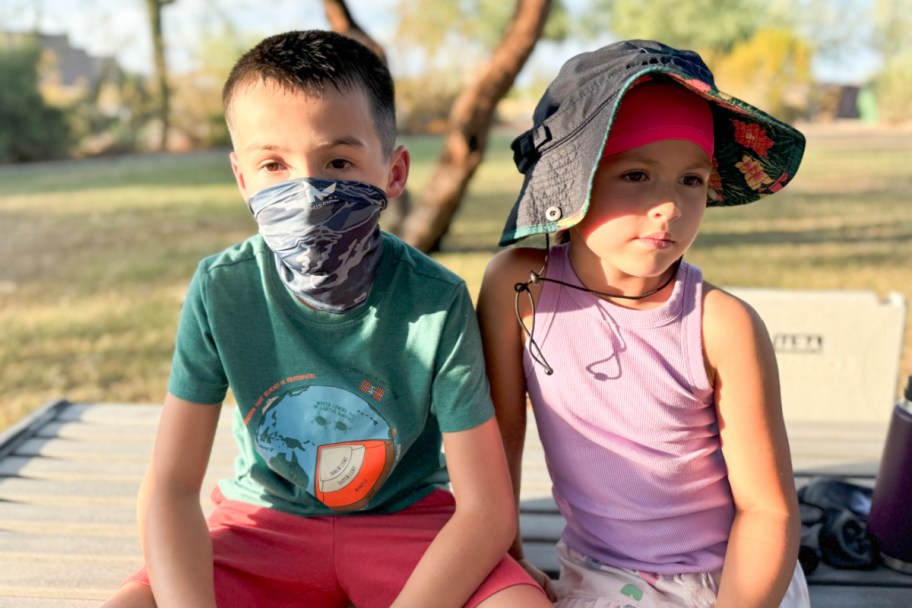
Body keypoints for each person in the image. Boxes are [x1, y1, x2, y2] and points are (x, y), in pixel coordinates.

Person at [102, 30, 550, 608]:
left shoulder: (437, 301)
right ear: (243, 178)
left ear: (394, 172)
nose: (307, 191)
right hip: (260, 528)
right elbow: (170, 486)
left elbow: (485, 510)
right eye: (273, 164)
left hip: (410, 527)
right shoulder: (223, 289)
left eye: (338, 160)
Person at [477, 39, 811, 607]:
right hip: (599, 574)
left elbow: (769, 510)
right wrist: (511, 563)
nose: (670, 207)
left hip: (725, 582)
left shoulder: (721, 325)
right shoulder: (518, 288)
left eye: (691, 181)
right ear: (571, 184)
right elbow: (498, 441)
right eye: (636, 175)